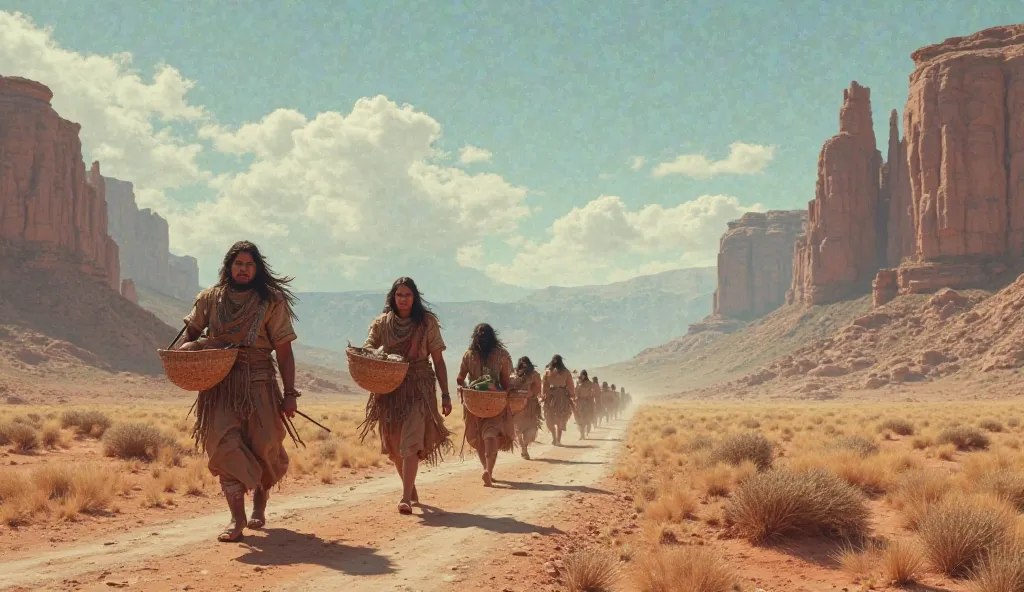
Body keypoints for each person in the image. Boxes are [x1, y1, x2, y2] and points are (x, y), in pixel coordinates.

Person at [180, 240, 301, 543]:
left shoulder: (271, 301)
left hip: (260, 381)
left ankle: (260, 504)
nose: (243, 269)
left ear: (256, 268)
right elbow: (191, 334)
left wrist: (289, 394)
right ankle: (237, 519)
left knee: (264, 446)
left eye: (249, 265)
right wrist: (190, 349)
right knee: (222, 444)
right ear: (229, 267)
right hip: (219, 383)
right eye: (238, 264)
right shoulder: (210, 298)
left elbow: (284, 353)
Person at [358, 277, 453, 515]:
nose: (403, 299)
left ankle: (405, 498)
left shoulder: (427, 323)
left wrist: (445, 394)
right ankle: (410, 487)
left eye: (408, 295)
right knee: (393, 448)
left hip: (419, 387)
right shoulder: (381, 323)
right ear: (393, 297)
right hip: (389, 389)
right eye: (399, 295)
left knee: (410, 443)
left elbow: (439, 361)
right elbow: (369, 346)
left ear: (415, 297)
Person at [456, 323, 515, 486]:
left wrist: (464, 386)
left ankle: (486, 469)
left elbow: (460, 377)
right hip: (495, 402)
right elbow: (505, 380)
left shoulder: (468, 355)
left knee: (478, 437)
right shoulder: (503, 355)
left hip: (473, 402)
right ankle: (488, 470)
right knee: (491, 434)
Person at [510, 356, 543, 460]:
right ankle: (523, 448)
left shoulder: (534, 375)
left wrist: (531, 393)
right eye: (522, 363)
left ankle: (524, 446)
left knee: (532, 428)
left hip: (531, 406)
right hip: (516, 406)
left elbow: (538, 388)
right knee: (518, 429)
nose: (524, 365)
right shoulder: (514, 374)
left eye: (525, 363)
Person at [541, 354, 576, 446]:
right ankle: (554, 437)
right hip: (552, 396)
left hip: (560, 396)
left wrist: (572, 394)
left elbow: (570, 385)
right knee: (550, 417)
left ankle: (558, 439)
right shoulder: (548, 372)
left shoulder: (565, 372)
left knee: (561, 417)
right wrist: (543, 395)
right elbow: (544, 385)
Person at [573, 370, 596, 439]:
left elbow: (593, 392)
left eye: (583, 375)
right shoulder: (578, 382)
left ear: (585, 376)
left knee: (586, 419)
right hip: (579, 402)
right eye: (581, 375)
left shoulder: (589, 383)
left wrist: (590, 397)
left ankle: (587, 428)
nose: (581, 376)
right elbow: (575, 391)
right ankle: (582, 435)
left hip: (587, 402)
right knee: (579, 419)